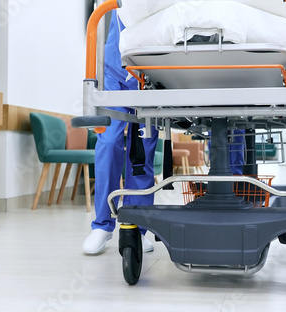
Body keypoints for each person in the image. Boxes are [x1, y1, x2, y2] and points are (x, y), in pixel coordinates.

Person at [82, 11, 158, 254]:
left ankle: (137, 227)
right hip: (115, 70)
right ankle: (102, 225)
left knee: (143, 150)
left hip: (151, 74)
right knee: (109, 142)